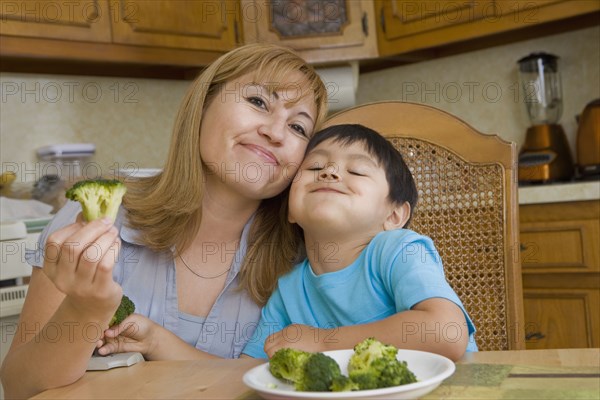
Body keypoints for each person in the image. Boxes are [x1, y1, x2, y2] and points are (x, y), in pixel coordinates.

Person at [0, 43, 328, 399]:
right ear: (202, 104)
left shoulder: (308, 257)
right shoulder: (99, 217)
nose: (276, 133)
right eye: (258, 102)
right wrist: (86, 308)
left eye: (298, 127)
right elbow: (21, 387)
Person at [241, 124, 478, 361]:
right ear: (290, 211)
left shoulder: (399, 251)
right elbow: (249, 368)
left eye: (356, 171)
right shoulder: (288, 288)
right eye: (315, 166)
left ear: (394, 215)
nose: (329, 172)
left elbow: (447, 332)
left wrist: (324, 341)